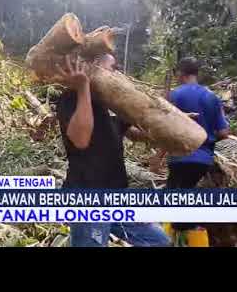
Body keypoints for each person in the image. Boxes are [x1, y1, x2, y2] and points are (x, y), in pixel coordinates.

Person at [55, 53, 171, 247]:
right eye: (112, 67)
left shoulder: (112, 103)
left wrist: (168, 129)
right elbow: (81, 140)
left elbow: (132, 132)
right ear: (93, 67)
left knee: (158, 240)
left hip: (117, 194)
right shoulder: (71, 97)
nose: (117, 73)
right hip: (88, 195)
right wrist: (83, 88)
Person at [151, 57, 230, 246]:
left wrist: (157, 156)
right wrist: (205, 141)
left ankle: (177, 238)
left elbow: (169, 131)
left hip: (179, 159)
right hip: (202, 161)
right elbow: (224, 133)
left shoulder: (173, 96)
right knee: (183, 209)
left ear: (181, 73)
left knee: (176, 211)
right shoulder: (211, 97)